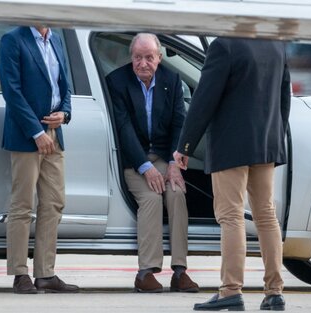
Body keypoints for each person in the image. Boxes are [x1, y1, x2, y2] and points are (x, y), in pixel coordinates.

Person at [174, 37, 291, 311]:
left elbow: (204, 99)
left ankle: (230, 290)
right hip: (266, 143)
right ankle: (274, 292)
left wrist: (185, 145)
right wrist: (276, 138)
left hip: (230, 145)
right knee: (266, 215)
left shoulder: (224, 45)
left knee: (231, 216)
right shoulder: (275, 45)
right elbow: (284, 97)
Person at [106, 33, 199, 293]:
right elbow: (123, 129)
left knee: (177, 193)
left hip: (162, 157)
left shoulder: (172, 79)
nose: (143, 63)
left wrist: (173, 162)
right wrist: (145, 168)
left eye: (149, 57)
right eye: (138, 57)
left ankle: (180, 271)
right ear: (131, 57)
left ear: (159, 58)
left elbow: (178, 123)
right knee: (151, 198)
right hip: (134, 161)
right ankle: (146, 272)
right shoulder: (117, 81)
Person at [0, 25, 77, 294]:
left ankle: (45, 273)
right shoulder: (13, 39)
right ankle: (20, 273)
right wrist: (35, 131)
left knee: (54, 203)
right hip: (26, 135)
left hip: (54, 133)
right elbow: (11, 91)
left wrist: (64, 114)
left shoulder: (55, 39)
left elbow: (64, 87)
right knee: (22, 204)